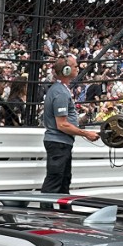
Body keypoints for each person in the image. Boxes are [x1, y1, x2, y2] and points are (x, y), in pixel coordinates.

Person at [42, 54, 100, 193]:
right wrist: (86, 134)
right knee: (55, 180)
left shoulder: (60, 89)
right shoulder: (60, 92)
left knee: (64, 180)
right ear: (66, 70)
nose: (78, 68)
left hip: (62, 143)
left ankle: (63, 212)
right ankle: (45, 212)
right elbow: (62, 124)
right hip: (59, 143)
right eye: (75, 66)